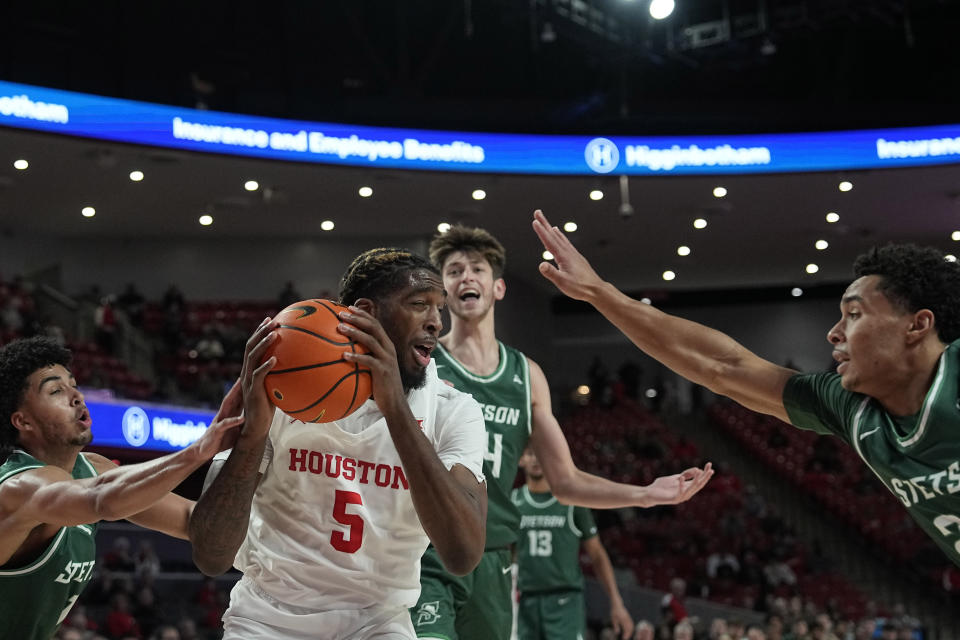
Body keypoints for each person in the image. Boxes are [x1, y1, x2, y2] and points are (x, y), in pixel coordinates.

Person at [532, 208, 960, 567]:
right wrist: (600, 294)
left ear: (917, 325)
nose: (834, 333)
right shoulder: (853, 410)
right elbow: (722, 366)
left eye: (854, 314)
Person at [412, 225, 714, 640]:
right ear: (443, 291)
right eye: (454, 270)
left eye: (477, 269)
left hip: (493, 555)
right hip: (427, 549)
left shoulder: (526, 376)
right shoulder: (423, 364)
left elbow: (566, 481)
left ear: (498, 287)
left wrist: (645, 493)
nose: (466, 277)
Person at [189, 248, 488, 640]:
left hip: (378, 621)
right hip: (267, 617)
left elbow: (463, 554)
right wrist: (253, 435)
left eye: (439, 308)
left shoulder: (453, 410)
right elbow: (211, 556)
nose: (435, 322)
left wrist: (395, 407)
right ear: (365, 313)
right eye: (419, 305)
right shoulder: (284, 387)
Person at [0, 336, 246, 640]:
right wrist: (197, 452)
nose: (76, 396)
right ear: (22, 421)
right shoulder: (17, 487)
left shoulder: (92, 467)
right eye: (55, 391)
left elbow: (192, 519)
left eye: (73, 384)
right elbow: (101, 499)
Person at [512, 448, 634, 640]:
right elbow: (507, 554)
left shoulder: (571, 501)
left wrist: (616, 601)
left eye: (540, 452)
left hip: (565, 600)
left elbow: (597, 554)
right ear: (520, 459)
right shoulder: (514, 501)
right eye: (529, 453)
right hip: (526, 600)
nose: (535, 458)